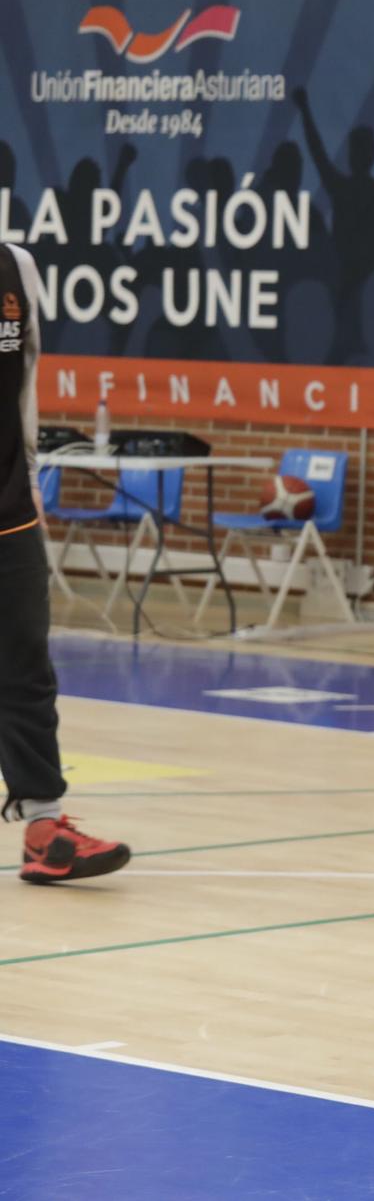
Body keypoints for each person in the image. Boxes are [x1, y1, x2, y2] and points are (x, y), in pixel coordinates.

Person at [0, 242, 132, 884]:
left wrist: (29, 479)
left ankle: (45, 824)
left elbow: (24, 381)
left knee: (26, 666)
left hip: (8, 508)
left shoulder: (15, 268)